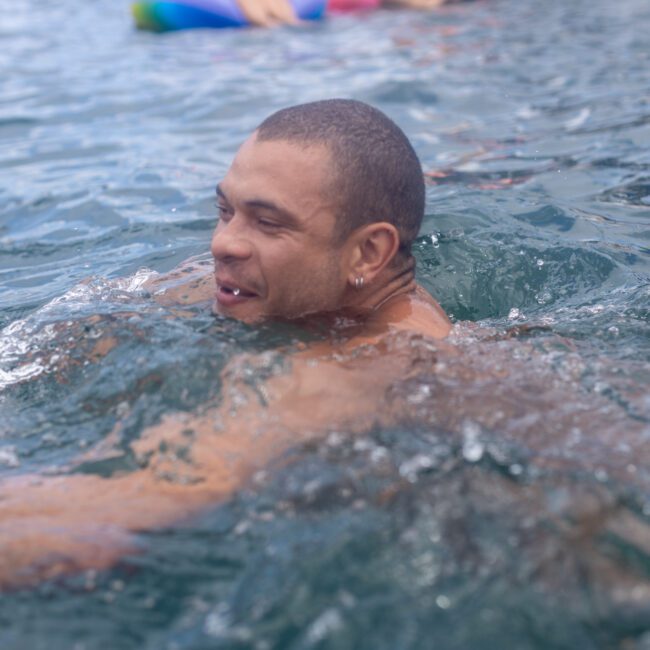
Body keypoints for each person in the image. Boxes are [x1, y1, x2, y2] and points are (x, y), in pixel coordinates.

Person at [0, 99, 451, 589]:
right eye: (225, 211)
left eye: (268, 222)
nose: (222, 243)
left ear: (367, 253)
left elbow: (115, 510)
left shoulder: (372, 365)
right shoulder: (276, 288)